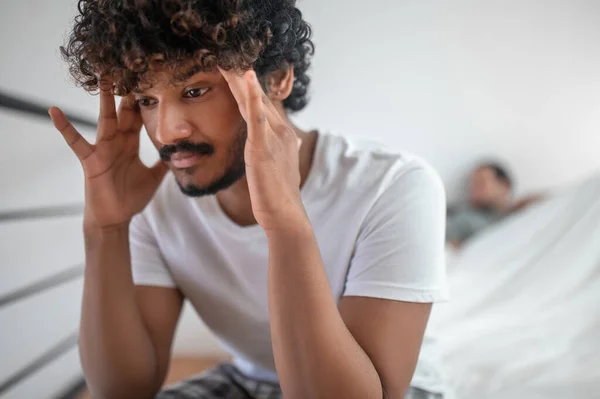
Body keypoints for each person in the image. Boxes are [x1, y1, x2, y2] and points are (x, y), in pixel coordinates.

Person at [49, 1, 448, 398]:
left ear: (277, 80)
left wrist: (285, 223)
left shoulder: (393, 185)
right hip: (248, 381)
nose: (167, 132)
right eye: (147, 101)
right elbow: (122, 391)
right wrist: (106, 229)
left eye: (194, 90)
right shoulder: (155, 201)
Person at [446, 162, 542, 248]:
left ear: (504, 185)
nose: (474, 190)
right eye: (472, 185)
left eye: (481, 183)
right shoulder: (463, 217)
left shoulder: (524, 212)